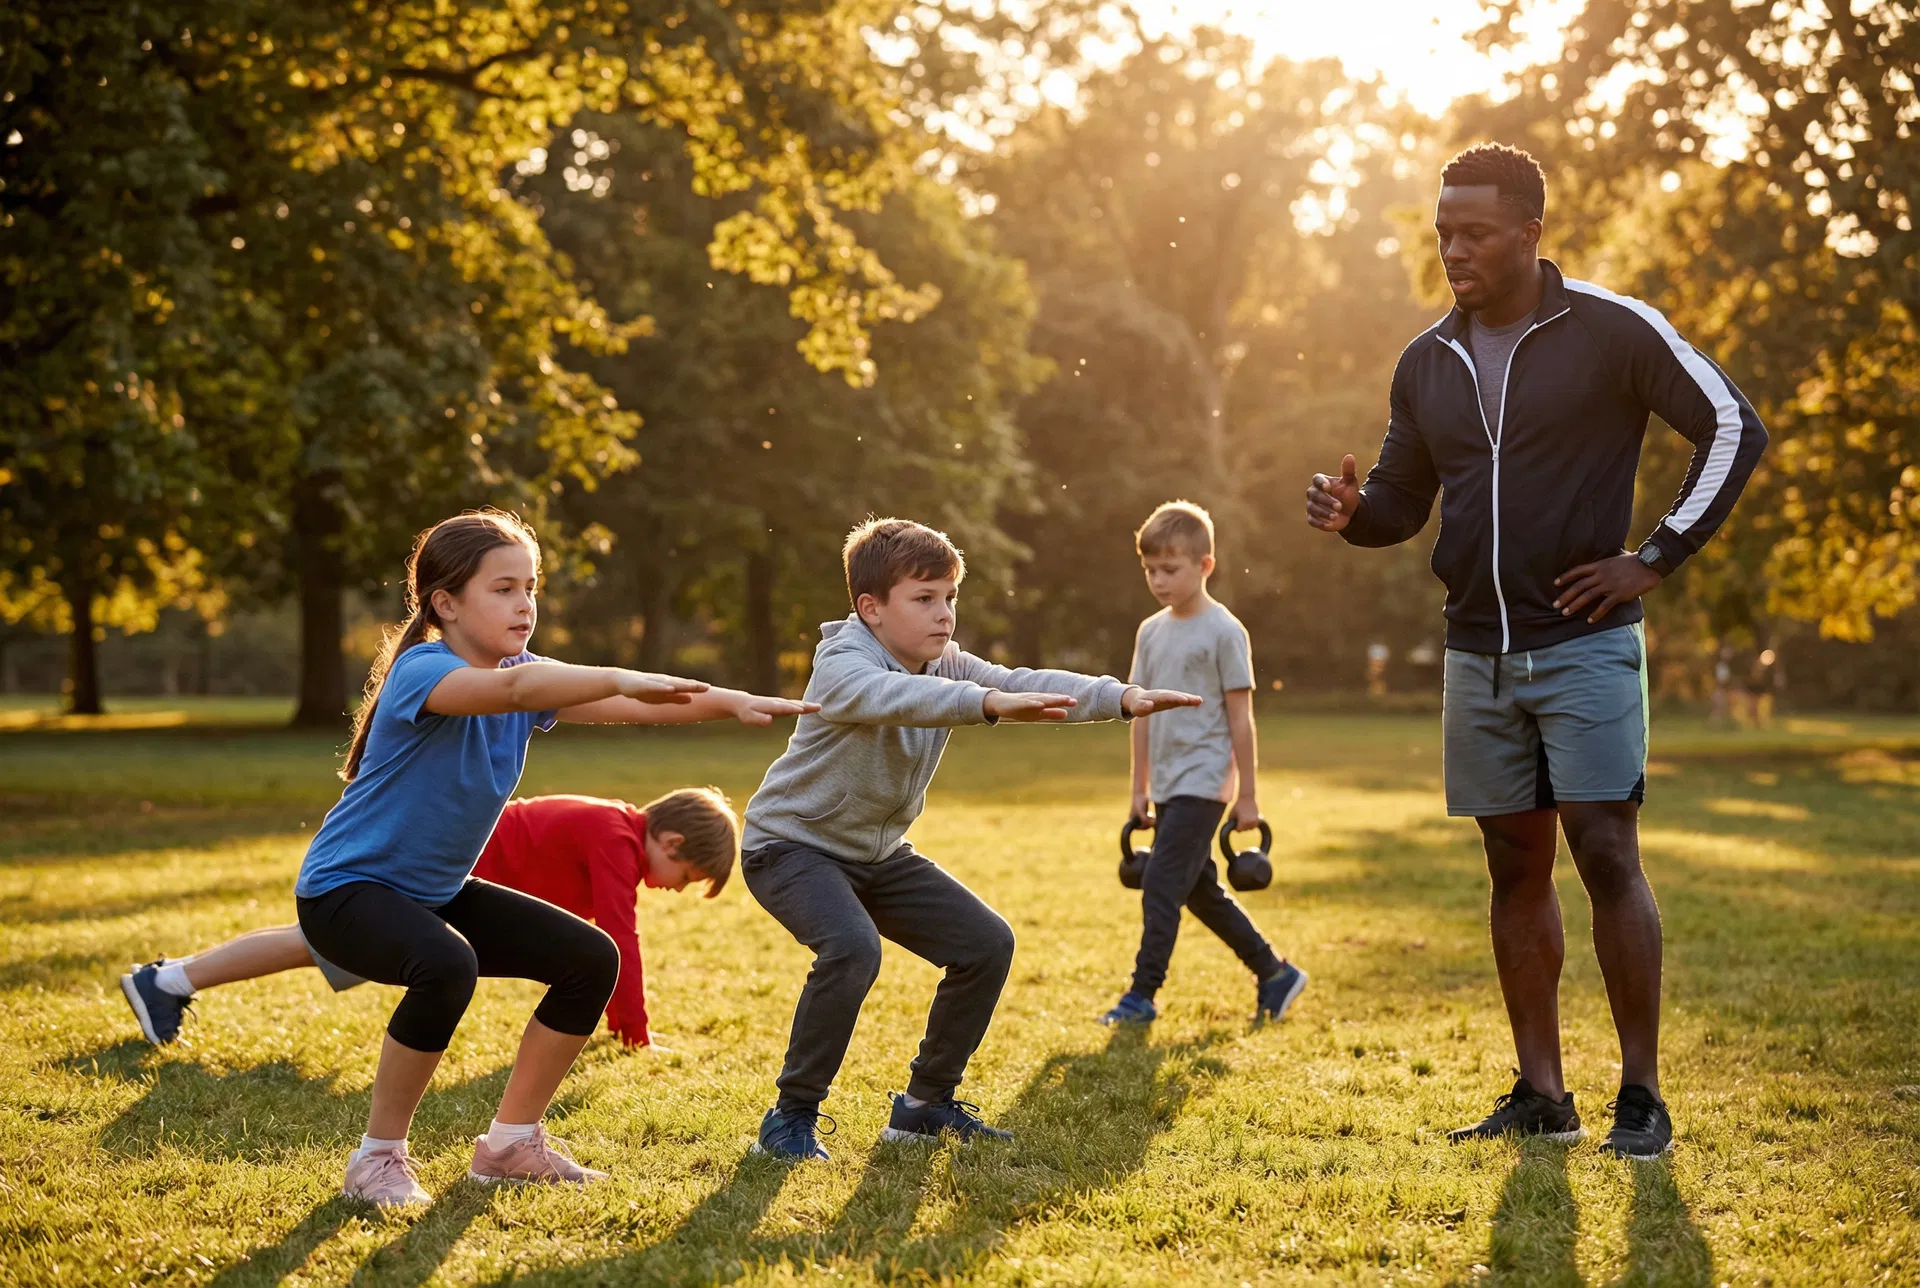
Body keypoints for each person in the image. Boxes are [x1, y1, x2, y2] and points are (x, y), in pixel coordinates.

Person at [1305, 144, 1766, 1161]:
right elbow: (1402, 500)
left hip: (1587, 645)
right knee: (1514, 865)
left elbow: (1734, 424)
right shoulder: (1430, 359)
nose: (1454, 251)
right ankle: (1542, 1092)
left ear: (1530, 231)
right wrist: (1352, 514)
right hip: (1478, 654)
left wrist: (1654, 556)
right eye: (1442, 235)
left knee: (1605, 850)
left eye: (1473, 233)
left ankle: (1640, 1093)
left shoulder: (1611, 329)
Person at [228, 509, 811, 1207]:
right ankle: (377, 1160)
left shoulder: (523, 676)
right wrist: (619, 671)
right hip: (345, 893)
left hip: (433, 892)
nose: (525, 604)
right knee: (447, 965)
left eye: (530, 587)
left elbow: (633, 702)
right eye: (503, 588)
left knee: (590, 958)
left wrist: (732, 701)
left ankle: (510, 1144)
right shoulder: (426, 670)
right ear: (445, 603)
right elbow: (517, 690)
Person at [741, 518, 1203, 1161]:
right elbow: (894, 696)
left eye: (950, 597)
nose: (944, 614)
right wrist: (981, 702)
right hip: (791, 846)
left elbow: (1017, 681)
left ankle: (925, 1106)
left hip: (875, 855)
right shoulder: (842, 662)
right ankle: (789, 1119)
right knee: (852, 949)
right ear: (871, 609)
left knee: (985, 943)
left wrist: (1120, 697)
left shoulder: (944, 661)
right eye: (924, 599)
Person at [119, 788, 740, 1052]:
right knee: (322, 945)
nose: (674, 889)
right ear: (672, 840)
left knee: (318, 945)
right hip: (436, 882)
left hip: (443, 887)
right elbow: (616, 940)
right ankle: (168, 982)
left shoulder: (615, 830)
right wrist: (633, 1031)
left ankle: (168, 979)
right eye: (683, 877)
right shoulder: (616, 839)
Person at [1098, 500, 1306, 1028]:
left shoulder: (1224, 631)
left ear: (1205, 565)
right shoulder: (1150, 632)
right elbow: (1140, 715)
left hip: (1207, 780)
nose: (1158, 580)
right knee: (1198, 889)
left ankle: (1141, 996)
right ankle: (1274, 971)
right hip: (1167, 783)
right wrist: (1139, 787)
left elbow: (1241, 718)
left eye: (1170, 569)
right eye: (1150, 570)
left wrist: (1249, 795)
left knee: (1162, 884)